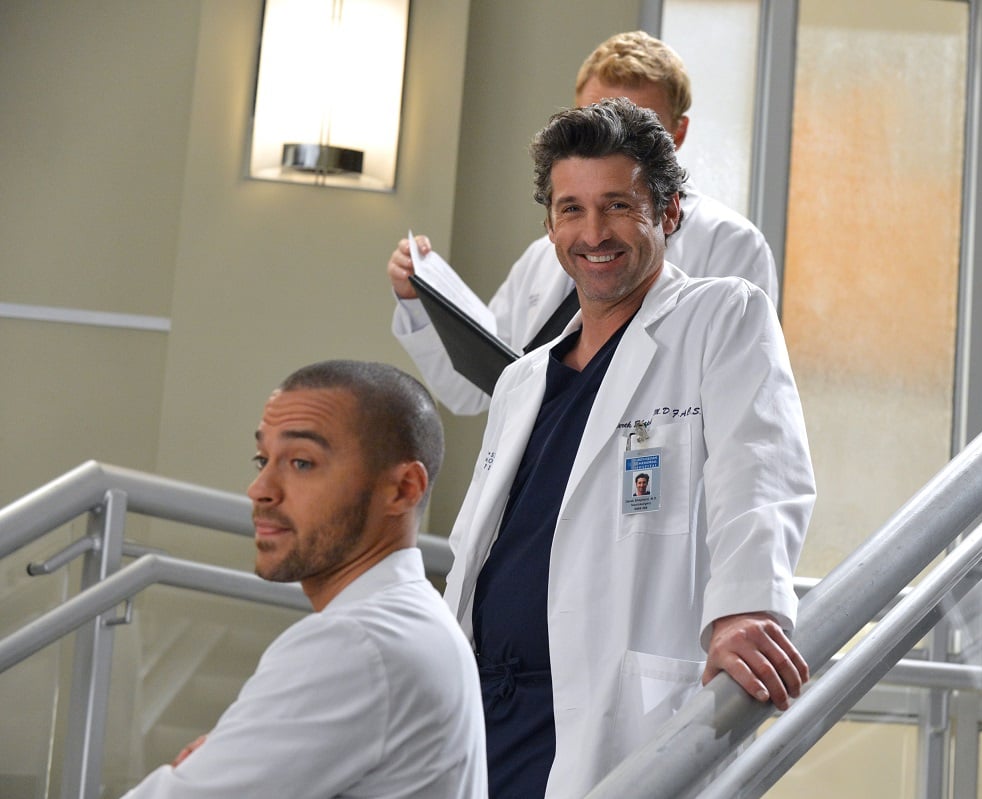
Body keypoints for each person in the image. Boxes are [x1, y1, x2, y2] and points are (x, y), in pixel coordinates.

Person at [443, 98, 816, 798]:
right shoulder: (524, 378)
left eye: (617, 206)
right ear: (550, 225)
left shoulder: (719, 316)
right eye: (571, 210)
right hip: (484, 706)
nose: (592, 234)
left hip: (604, 709)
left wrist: (746, 607)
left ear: (668, 212)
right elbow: (476, 545)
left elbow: (760, 468)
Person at [122, 360, 488, 799]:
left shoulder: (356, 643)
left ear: (402, 489)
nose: (259, 489)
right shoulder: (411, 621)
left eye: (301, 462)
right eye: (262, 459)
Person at [387, 30, 779, 415]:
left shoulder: (731, 245)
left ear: (678, 132)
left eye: (640, 125)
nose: (612, 140)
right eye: (597, 117)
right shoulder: (544, 256)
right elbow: (473, 390)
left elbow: (738, 400)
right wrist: (419, 298)